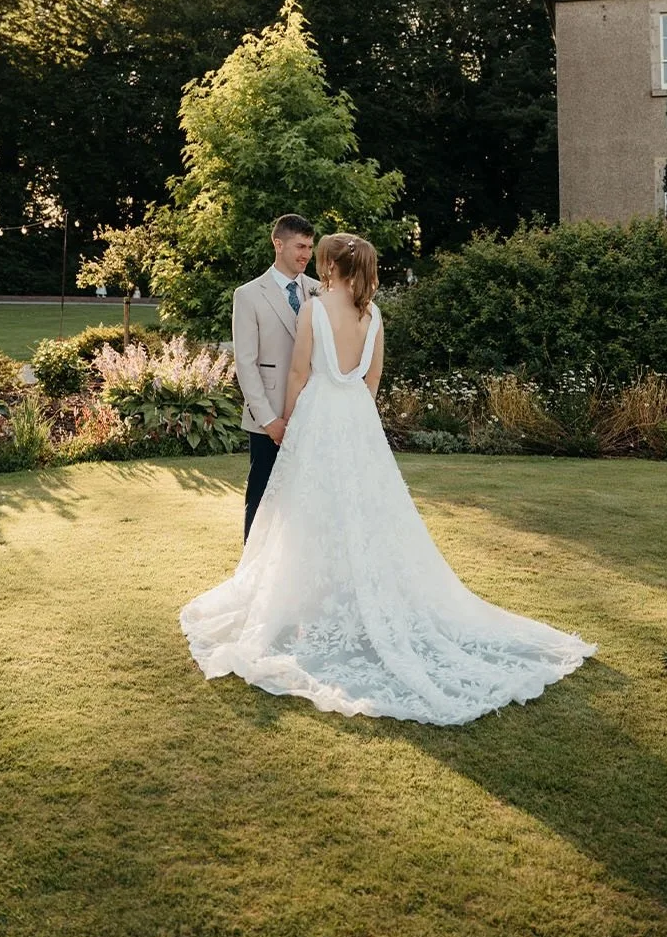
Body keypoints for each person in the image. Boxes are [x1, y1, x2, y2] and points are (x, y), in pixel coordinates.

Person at [181, 232, 596, 725]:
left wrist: (290, 424)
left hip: (315, 416)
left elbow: (296, 374)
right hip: (356, 417)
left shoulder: (314, 310)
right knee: (363, 509)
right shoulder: (374, 315)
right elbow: (372, 379)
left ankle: (306, 603)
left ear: (331, 267)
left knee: (308, 510)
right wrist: (356, 416)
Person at [230, 213, 316, 544]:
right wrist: (269, 420)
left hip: (311, 413)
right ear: (278, 244)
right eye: (300, 246)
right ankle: (250, 573)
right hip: (268, 418)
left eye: (310, 246)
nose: (306, 254)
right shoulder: (248, 295)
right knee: (262, 498)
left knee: (306, 500)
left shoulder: (319, 291)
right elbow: (246, 363)